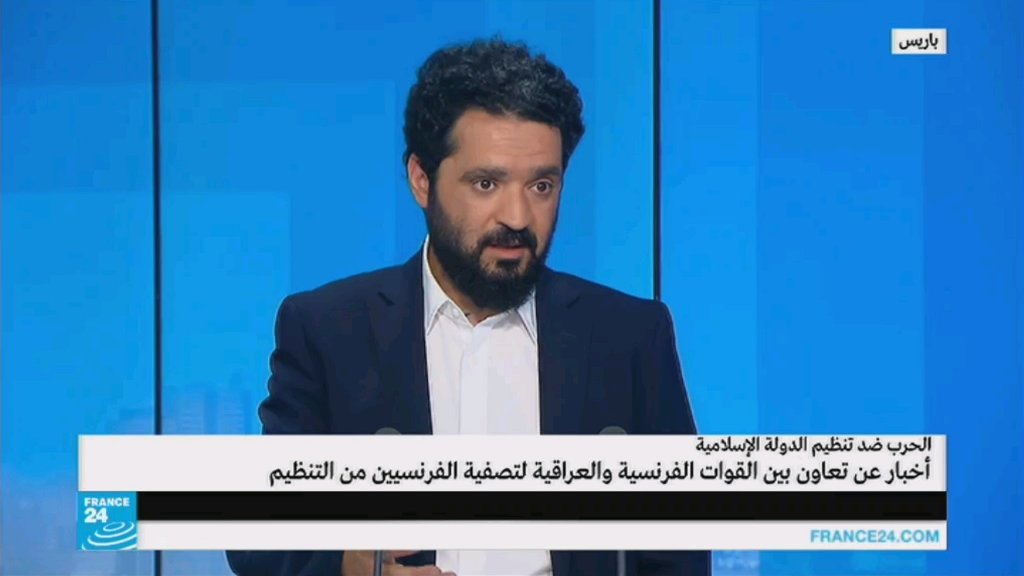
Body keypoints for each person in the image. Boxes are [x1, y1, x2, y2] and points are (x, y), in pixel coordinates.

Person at [227, 37, 708, 576]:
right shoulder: (328, 330)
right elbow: (258, 538)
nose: (517, 216)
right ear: (422, 180)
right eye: (486, 183)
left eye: (542, 185)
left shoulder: (630, 336)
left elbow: (681, 548)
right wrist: (350, 566)